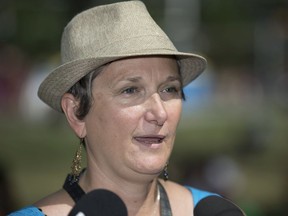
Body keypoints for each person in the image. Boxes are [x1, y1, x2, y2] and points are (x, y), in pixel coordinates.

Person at [9, 1, 245, 215]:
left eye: (169, 89)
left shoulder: (213, 210)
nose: (159, 113)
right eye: (130, 90)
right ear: (76, 113)